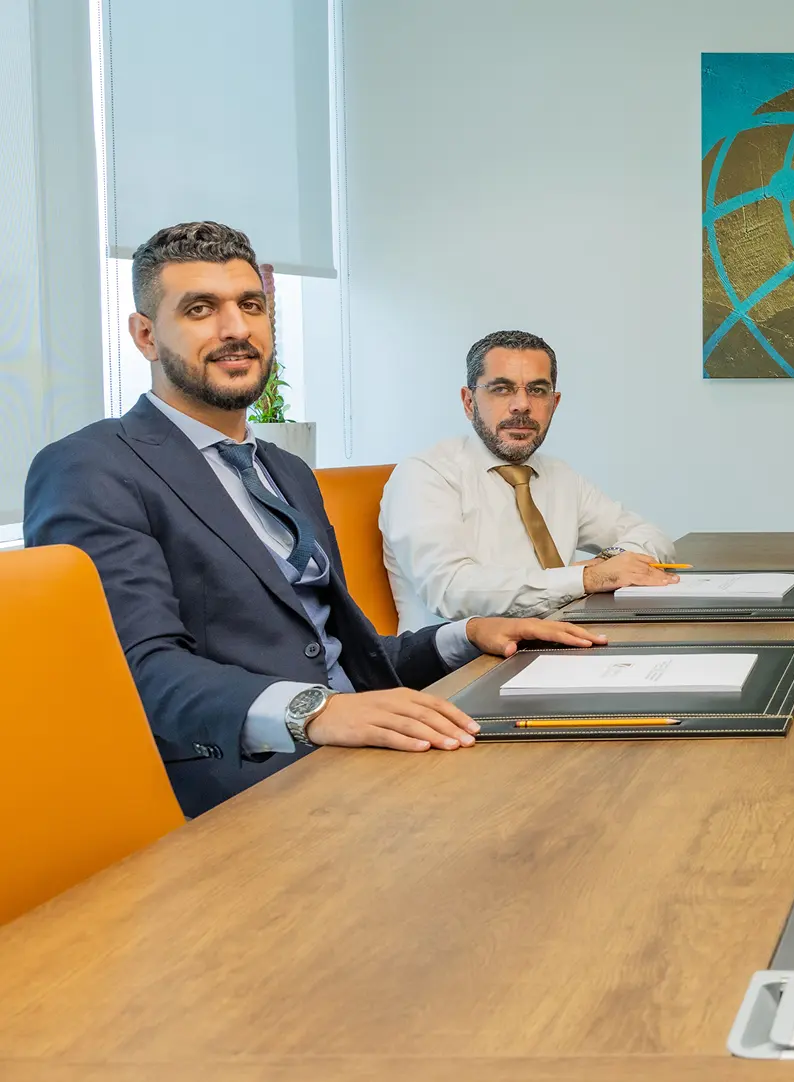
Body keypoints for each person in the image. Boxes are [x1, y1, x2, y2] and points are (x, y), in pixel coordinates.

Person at [24, 222, 602, 816]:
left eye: (251, 306)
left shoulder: (286, 470)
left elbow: (332, 652)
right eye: (201, 309)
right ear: (145, 335)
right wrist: (316, 711)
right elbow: (138, 674)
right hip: (243, 789)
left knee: (585, 785)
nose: (236, 328)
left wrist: (466, 634)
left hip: (366, 759)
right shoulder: (90, 467)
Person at [381, 330, 678, 630]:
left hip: (560, 645)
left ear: (555, 403)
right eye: (501, 389)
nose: (521, 405)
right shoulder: (424, 475)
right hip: (461, 668)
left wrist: (608, 562)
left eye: (537, 390)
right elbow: (451, 591)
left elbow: (653, 537)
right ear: (468, 401)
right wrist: (586, 578)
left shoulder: (560, 477)